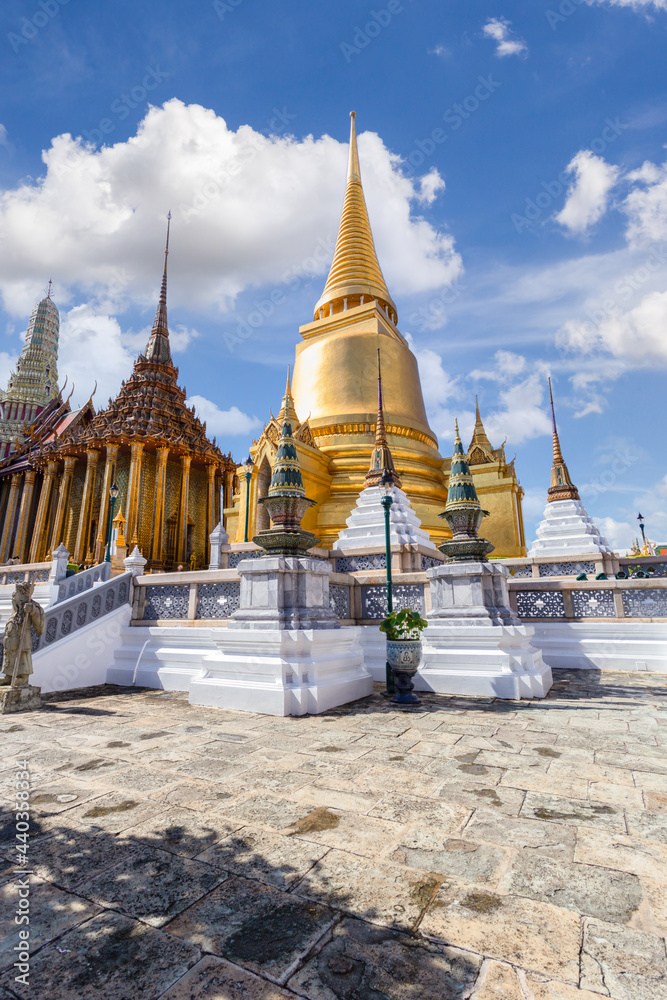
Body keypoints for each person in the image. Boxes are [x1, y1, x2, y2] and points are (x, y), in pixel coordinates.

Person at [0, 583, 45, 687]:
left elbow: (40, 628)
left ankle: (22, 679)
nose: (13, 594)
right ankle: (9, 677)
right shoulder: (16, 608)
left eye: (17, 592)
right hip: (11, 643)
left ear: (23, 595)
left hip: (22, 643)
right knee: (10, 660)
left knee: (22, 659)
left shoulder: (32, 606)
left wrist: (33, 611)